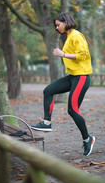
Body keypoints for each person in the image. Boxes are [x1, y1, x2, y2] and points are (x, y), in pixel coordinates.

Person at [31, 12, 95, 156]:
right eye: (56, 26)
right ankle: (47, 123)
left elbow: (83, 55)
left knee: (72, 110)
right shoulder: (68, 36)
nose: (57, 28)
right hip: (72, 77)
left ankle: (87, 139)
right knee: (48, 90)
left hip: (81, 77)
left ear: (65, 22)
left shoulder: (76, 35)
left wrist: (63, 54)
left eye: (58, 25)